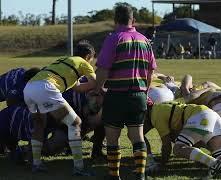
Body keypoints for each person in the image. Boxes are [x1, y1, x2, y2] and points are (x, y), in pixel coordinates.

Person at [95, 4, 157, 180]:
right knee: (137, 136)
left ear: (115, 21)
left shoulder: (114, 38)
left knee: (113, 138)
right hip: (138, 95)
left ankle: (114, 175)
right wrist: (145, 92)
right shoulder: (145, 41)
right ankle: (140, 174)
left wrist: (97, 89)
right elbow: (151, 72)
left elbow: (103, 69)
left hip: (116, 95)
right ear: (133, 20)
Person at [23, 40, 97, 175]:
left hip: (29, 88)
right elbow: (95, 83)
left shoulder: (65, 61)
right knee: (75, 123)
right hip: (46, 88)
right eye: (92, 59)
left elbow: (78, 88)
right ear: (88, 56)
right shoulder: (84, 63)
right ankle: (79, 168)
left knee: (39, 124)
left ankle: (36, 164)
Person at [143, 102, 221, 177]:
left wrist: (162, 163)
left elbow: (166, 146)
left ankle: (213, 164)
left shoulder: (155, 115)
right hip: (212, 115)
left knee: (178, 148)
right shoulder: (161, 106)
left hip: (201, 117)